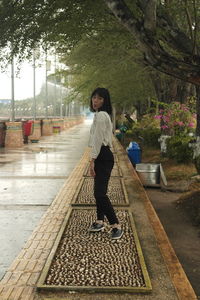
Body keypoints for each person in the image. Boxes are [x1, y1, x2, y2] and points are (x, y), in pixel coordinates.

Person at [88, 87, 123, 240]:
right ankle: (100, 221)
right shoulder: (100, 115)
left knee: (100, 193)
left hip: (103, 156)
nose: (96, 101)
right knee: (98, 190)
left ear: (105, 101)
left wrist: (92, 160)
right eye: (94, 97)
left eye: (100, 98)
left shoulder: (101, 116)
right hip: (103, 155)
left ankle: (115, 224)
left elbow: (97, 140)